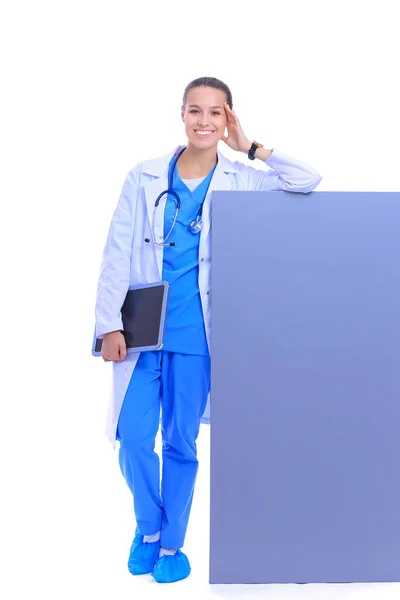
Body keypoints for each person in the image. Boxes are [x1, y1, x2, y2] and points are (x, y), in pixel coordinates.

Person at [94, 76, 322, 583]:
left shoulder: (240, 177)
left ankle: (172, 545)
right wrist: (108, 324)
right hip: (139, 333)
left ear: (228, 119)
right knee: (131, 437)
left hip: (198, 335)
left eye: (215, 113)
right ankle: (148, 527)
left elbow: (308, 180)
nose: (204, 121)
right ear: (181, 115)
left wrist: (253, 147)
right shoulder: (144, 177)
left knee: (180, 443)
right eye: (195, 111)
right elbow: (116, 252)